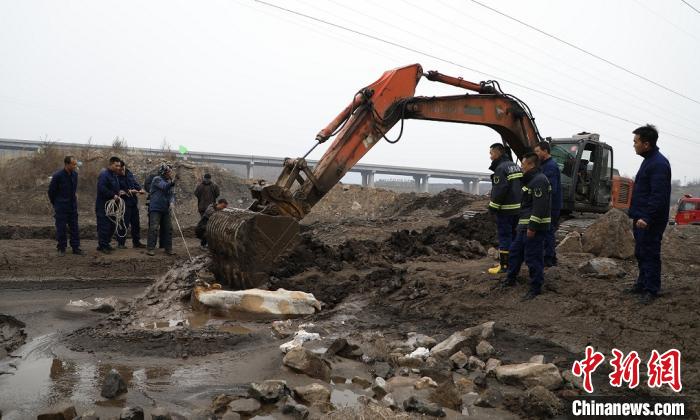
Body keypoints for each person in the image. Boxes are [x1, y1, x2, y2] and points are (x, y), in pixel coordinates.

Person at [626, 124, 671, 304]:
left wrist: (647, 217)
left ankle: (651, 289)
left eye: (636, 141)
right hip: (642, 217)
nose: (634, 144)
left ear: (646, 144)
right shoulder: (649, 161)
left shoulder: (659, 164)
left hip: (650, 220)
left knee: (650, 253)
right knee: (641, 252)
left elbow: (658, 195)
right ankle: (642, 284)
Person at [500, 152, 551, 300]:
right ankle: (510, 279)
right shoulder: (530, 180)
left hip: (533, 228)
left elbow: (539, 207)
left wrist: (532, 227)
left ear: (531, 165)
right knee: (515, 253)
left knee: (532, 257)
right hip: (523, 227)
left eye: (523, 165)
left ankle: (535, 287)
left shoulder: (540, 180)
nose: (521, 168)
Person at [487, 143, 523, 274]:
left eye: (491, 153)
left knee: (505, 237)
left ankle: (504, 266)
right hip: (518, 210)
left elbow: (499, 190)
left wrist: (492, 208)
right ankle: (514, 263)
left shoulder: (501, 169)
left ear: (498, 153)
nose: (490, 157)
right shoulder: (516, 166)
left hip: (506, 210)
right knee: (514, 236)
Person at [534, 141, 562, 267]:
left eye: (538, 151)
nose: (536, 154)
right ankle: (551, 257)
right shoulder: (544, 165)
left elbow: (551, 188)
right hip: (549, 204)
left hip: (551, 205)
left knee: (548, 230)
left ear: (545, 151)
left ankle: (549, 259)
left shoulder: (550, 166)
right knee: (547, 230)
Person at [47, 155, 83, 256]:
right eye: (73, 164)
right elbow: (51, 191)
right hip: (61, 206)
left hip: (72, 206)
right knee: (61, 228)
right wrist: (56, 203)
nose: (75, 166)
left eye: (76, 164)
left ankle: (76, 247)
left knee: (74, 227)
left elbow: (74, 190)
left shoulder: (75, 175)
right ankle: (61, 248)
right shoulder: (58, 176)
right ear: (67, 164)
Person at [146, 164, 176, 256]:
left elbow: (172, 195)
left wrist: (172, 202)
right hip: (155, 208)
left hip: (165, 208)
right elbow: (164, 187)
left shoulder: (169, 182)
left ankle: (168, 248)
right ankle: (150, 248)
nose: (170, 173)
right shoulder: (157, 179)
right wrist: (173, 182)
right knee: (154, 228)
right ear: (164, 172)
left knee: (168, 229)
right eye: (169, 171)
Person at [95, 156, 123, 254]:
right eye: (116, 165)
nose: (118, 167)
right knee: (104, 226)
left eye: (119, 166)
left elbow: (115, 188)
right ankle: (103, 246)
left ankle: (106, 243)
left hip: (112, 206)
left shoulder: (114, 175)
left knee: (112, 225)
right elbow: (101, 188)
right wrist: (113, 195)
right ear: (110, 164)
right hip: (103, 205)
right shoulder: (104, 175)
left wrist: (119, 193)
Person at [116, 161, 145, 249]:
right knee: (123, 223)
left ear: (124, 167)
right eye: (119, 169)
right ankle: (121, 243)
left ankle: (136, 242)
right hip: (124, 204)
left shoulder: (129, 173)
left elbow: (134, 183)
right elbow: (117, 189)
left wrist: (140, 189)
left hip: (133, 202)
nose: (121, 171)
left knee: (136, 224)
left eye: (122, 168)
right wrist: (128, 191)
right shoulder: (116, 177)